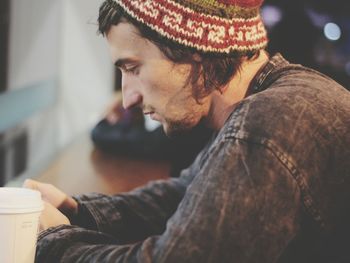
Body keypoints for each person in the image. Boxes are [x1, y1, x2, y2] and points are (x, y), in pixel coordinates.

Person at [24, 0, 350, 262]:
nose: (128, 97)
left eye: (134, 68)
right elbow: (186, 191)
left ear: (195, 49)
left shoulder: (269, 125)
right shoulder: (275, 99)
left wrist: (50, 240)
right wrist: (77, 211)